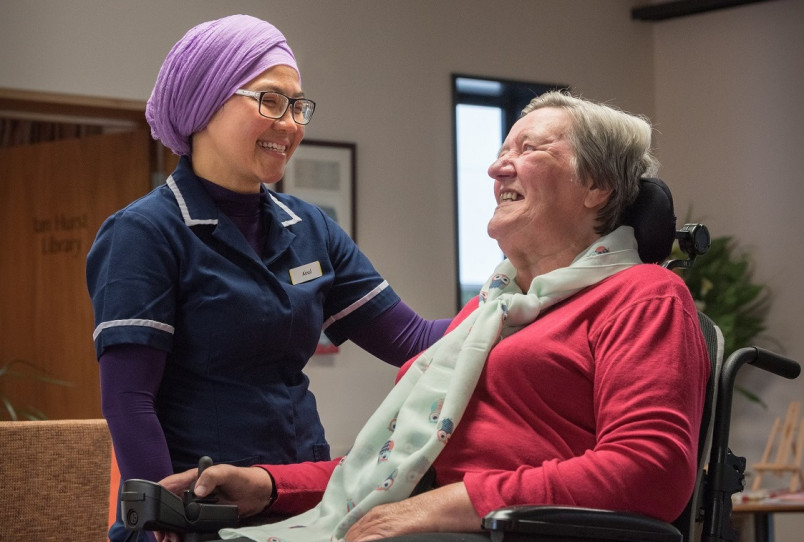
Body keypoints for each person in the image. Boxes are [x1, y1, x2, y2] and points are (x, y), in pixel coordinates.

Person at [156, 91, 711, 542]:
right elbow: (392, 467)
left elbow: (652, 470)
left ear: (598, 187)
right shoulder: (488, 314)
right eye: (501, 150)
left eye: (531, 148)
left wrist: (457, 503)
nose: (497, 167)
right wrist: (267, 485)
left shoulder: (643, 295)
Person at [85, 14, 449, 542]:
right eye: (270, 101)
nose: (291, 124)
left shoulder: (309, 227)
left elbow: (412, 341)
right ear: (205, 102)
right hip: (199, 514)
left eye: (297, 106)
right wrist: (162, 518)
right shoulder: (144, 232)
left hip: (302, 498)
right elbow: (128, 399)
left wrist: (524, 302)